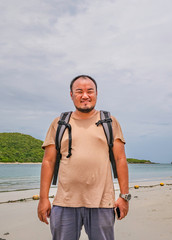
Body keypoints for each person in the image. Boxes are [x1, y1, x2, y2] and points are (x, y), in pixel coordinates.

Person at [37, 75, 130, 240]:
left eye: (89, 91)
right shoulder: (59, 123)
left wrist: (124, 197)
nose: (85, 96)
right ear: (71, 95)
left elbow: (120, 159)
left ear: (96, 94)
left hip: (102, 203)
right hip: (64, 203)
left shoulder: (109, 121)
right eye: (79, 91)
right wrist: (43, 199)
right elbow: (48, 162)